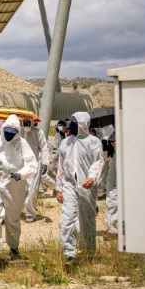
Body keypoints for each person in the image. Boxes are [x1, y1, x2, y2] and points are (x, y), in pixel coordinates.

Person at [0, 114, 37, 261]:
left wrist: (22, 173)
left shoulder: (22, 144)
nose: (9, 136)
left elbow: (32, 164)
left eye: (12, 134)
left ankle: (14, 247)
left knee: (12, 218)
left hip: (14, 186)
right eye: (7, 132)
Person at [56, 112, 104, 262]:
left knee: (87, 218)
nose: (71, 127)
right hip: (70, 184)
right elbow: (61, 167)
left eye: (74, 124)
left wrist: (92, 177)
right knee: (67, 218)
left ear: (83, 124)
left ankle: (89, 251)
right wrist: (59, 188)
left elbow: (98, 162)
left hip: (87, 186)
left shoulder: (94, 142)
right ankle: (69, 252)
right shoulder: (66, 142)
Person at [21, 119, 49, 223]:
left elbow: (44, 147)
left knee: (32, 190)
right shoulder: (20, 131)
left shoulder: (38, 132)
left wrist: (45, 163)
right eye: (24, 121)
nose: (26, 123)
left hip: (34, 165)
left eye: (28, 121)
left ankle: (30, 213)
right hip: (20, 165)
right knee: (19, 190)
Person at [101, 127, 117, 235]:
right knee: (112, 199)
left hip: (129, 174)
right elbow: (106, 158)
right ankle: (113, 228)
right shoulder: (112, 136)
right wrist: (106, 148)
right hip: (114, 173)